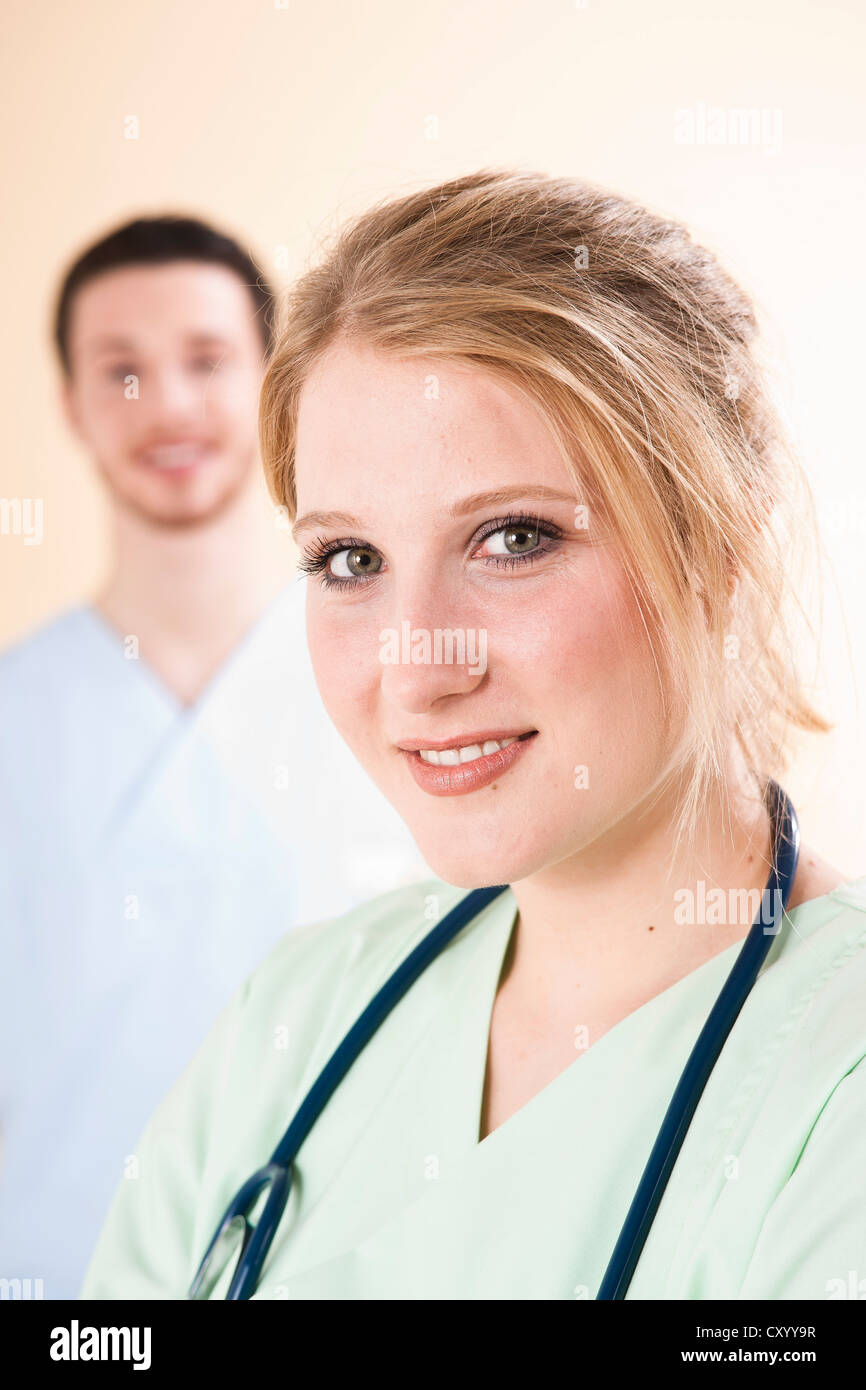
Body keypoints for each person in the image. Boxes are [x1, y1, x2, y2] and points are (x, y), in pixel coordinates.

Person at [80, 171, 865, 1301]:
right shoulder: (301, 1017)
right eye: (348, 560)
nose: (416, 665)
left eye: (512, 538)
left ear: (714, 548)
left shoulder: (831, 1078)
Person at [0, 215, 430, 1300]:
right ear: (71, 406)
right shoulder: (20, 713)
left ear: (271, 380)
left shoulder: (411, 685)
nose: (172, 406)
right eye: (122, 371)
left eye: (204, 361)